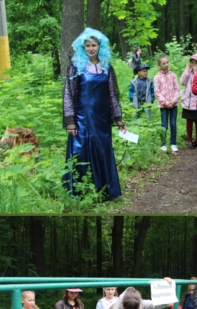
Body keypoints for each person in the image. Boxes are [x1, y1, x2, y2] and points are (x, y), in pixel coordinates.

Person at [62, 28, 126, 199]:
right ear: (83, 47)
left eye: (94, 45)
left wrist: (118, 118)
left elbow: (112, 94)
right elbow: (68, 94)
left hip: (102, 119)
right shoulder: (76, 67)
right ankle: (82, 192)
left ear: (100, 46)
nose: (91, 48)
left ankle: (105, 191)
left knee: (102, 150)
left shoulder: (106, 67)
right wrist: (70, 121)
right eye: (88, 45)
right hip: (82, 118)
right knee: (80, 151)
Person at [154, 54, 180, 152]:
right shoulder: (157, 77)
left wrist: (173, 101)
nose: (166, 65)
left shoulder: (173, 75)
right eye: (163, 63)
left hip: (173, 104)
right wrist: (165, 102)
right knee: (164, 124)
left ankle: (173, 143)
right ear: (159, 65)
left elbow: (177, 90)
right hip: (163, 105)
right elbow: (157, 92)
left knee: (173, 123)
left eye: (167, 62)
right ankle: (163, 144)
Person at [181, 54, 197, 149]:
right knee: (189, 121)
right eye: (192, 63)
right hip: (188, 102)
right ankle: (189, 140)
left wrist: (196, 73)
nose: (193, 65)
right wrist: (186, 71)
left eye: (196, 63)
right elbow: (182, 82)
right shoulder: (188, 72)